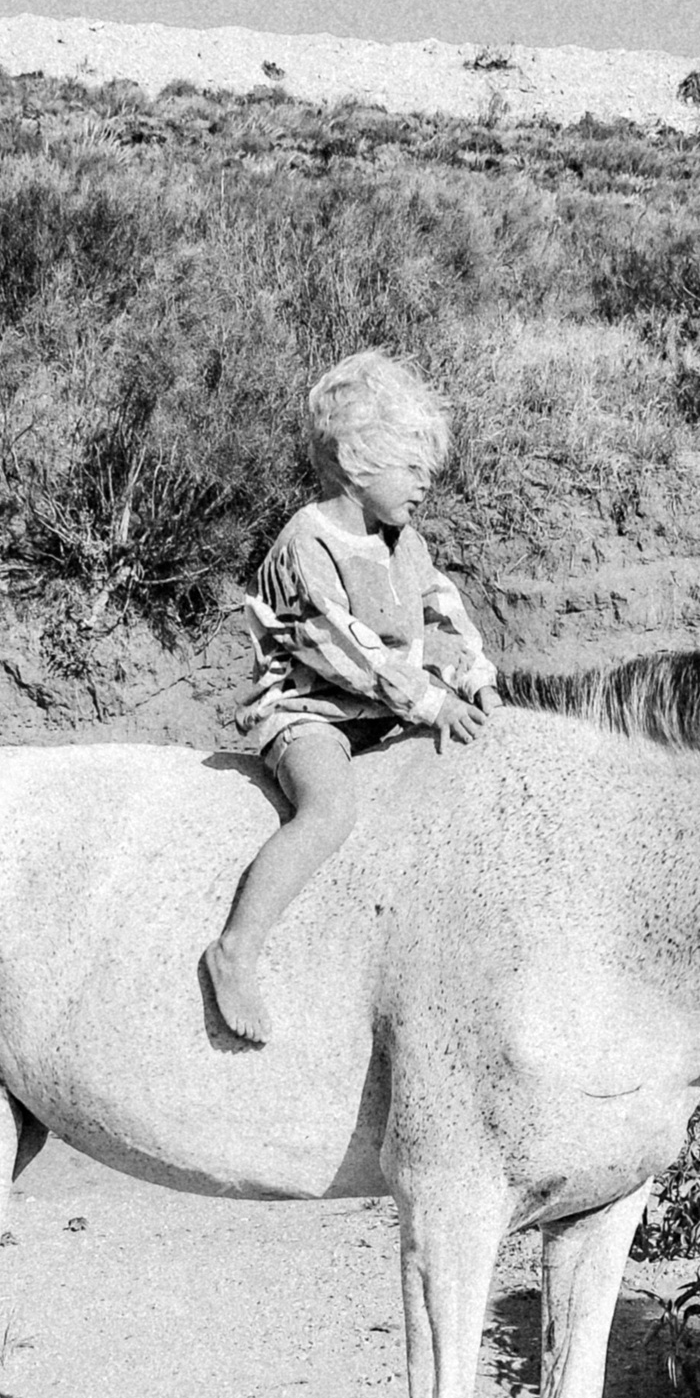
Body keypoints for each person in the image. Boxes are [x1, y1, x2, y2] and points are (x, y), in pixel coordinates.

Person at [202, 350, 499, 1044]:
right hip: (312, 714)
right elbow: (347, 652)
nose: (425, 484)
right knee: (331, 809)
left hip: (383, 717)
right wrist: (431, 702)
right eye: (412, 466)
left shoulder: (406, 543)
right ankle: (237, 948)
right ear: (358, 457)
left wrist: (476, 677)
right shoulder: (306, 543)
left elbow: (442, 615)